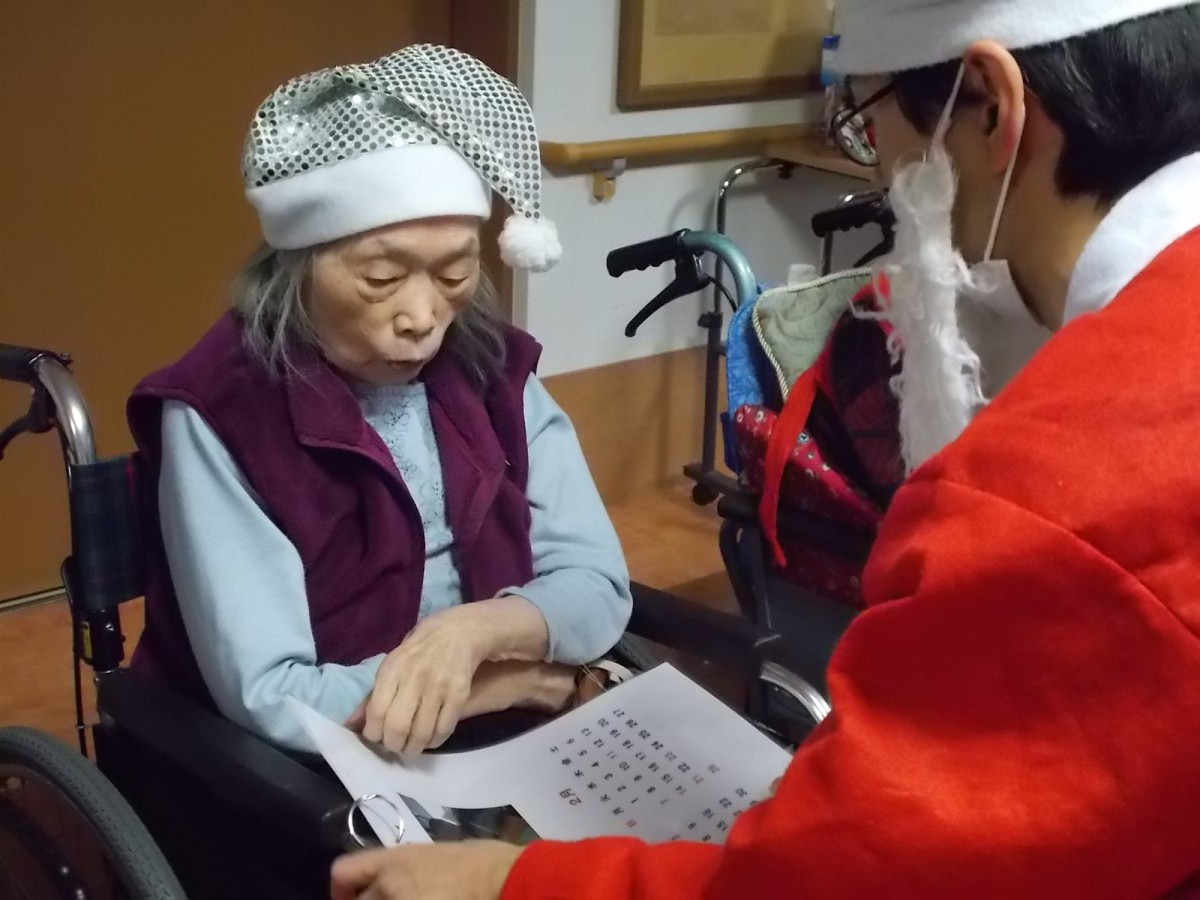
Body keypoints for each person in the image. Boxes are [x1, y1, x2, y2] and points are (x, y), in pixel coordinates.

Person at [330, 1, 1200, 896]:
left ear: (989, 104)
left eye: (870, 124)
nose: (418, 316)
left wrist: (507, 882)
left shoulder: (1066, 487)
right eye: (380, 275)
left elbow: (856, 876)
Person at [126, 45, 632, 756]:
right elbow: (273, 694)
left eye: (453, 276)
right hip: (318, 765)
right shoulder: (222, 410)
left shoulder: (492, 366)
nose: (423, 319)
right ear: (299, 269)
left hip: (496, 735)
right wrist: (516, 680)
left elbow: (596, 583)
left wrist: (474, 632)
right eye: (381, 279)